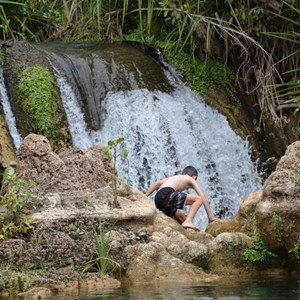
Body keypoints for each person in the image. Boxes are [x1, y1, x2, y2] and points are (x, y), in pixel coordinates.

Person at [145, 166, 217, 231]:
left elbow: (158, 183)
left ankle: (184, 226)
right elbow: (203, 198)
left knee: (182, 219)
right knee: (198, 199)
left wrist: (145, 195)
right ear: (194, 177)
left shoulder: (174, 178)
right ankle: (188, 221)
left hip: (158, 200)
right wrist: (210, 217)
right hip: (166, 194)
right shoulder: (190, 179)